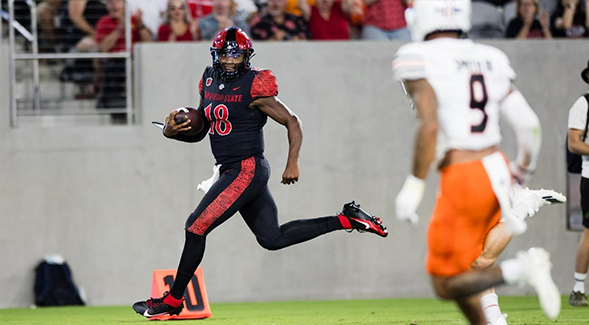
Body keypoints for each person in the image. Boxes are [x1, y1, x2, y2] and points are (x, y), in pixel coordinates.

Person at [132, 26, 388, 318]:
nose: (230, 61)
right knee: (272, 238)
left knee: (195, 227)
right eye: (225, 55)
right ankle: (346, 218)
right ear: (215, 55)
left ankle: (174, 301)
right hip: (231, 169)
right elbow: (204, 130)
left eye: (236, 55)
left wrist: (292, 161)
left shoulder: (255, 85)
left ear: (247, 56)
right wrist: (171, 132)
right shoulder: (209, 78)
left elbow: (293, 121)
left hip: (246, 169)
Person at [393, 1, 560, 325]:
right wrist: (520, 173)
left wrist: (414, 185)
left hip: (463, 173)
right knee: (466, 266)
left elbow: (428, 127)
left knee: (445, 283)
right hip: (495, 167)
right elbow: (529, 125)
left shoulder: (418, 56)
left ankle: (521, 270)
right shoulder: (491, 58)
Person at [567, 59, 589, 307]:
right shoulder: (583, 104)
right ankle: (578, 288)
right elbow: (574, 142)